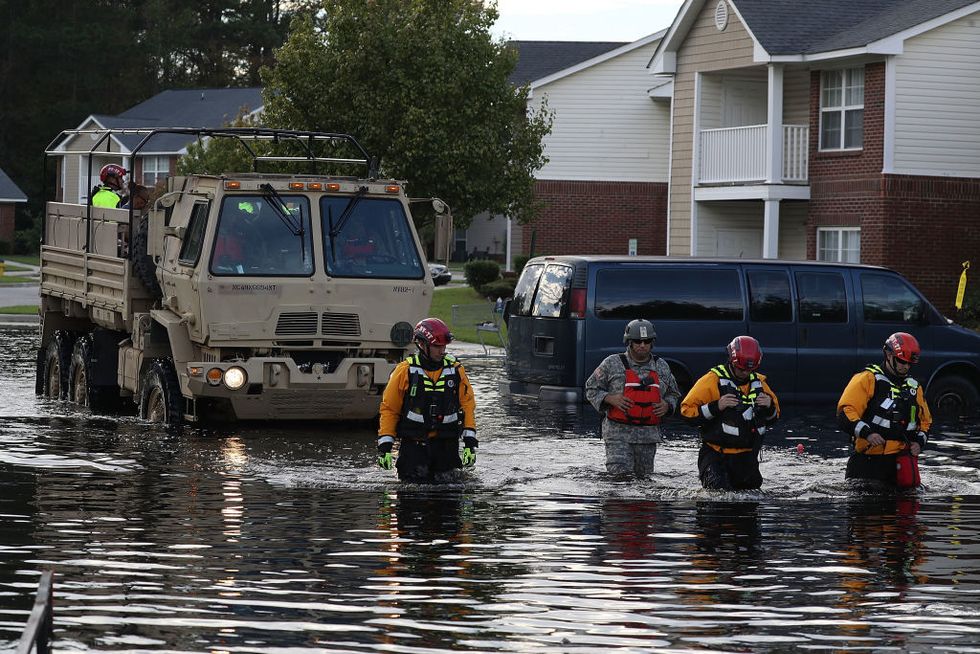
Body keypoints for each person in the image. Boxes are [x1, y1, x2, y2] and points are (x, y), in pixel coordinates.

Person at [377, 318, 478, 483]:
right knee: (411, 499)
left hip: (447, 447)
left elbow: (467, 404)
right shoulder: (405, 371)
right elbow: (389, 409)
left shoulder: (456, 370)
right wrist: (385, 446)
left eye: (444, 346)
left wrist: (469, 443)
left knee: (450, 500)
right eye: (437, 346)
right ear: (422, 345)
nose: (442, 350)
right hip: (414, 447)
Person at [681, 335, 780, 491]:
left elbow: (774, 418)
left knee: (750, 503)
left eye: (750, 369)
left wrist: (769, 406)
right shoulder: (712, 380)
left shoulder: (760, 384)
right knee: (717, 497)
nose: (745, 373)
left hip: (747, 460)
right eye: (741, 369)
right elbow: (687, 413)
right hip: (716, 457)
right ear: (732, 361)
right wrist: (717, 406)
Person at [585, 319, 681, 479]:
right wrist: (609, 398)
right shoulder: (611, 363)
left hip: (648, 437)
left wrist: (667, 405)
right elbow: (591, 388)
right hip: (618, 435)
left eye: (647, 341)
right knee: (620, 480)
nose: (642, 345)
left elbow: (674, 393)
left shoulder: (661, 366)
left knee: (643, 483)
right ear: (629, 342)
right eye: (637, 341)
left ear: (652, 342)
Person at [837, 332, 931, 487]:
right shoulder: (867, 379)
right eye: (901, 361)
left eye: (909, 363)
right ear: (888, 354)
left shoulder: (914, 388)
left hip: (901, 464)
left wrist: (919, 442)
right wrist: (868, 434)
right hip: (867, 465)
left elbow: (926, 422)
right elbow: (845, 413)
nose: (905, 366)